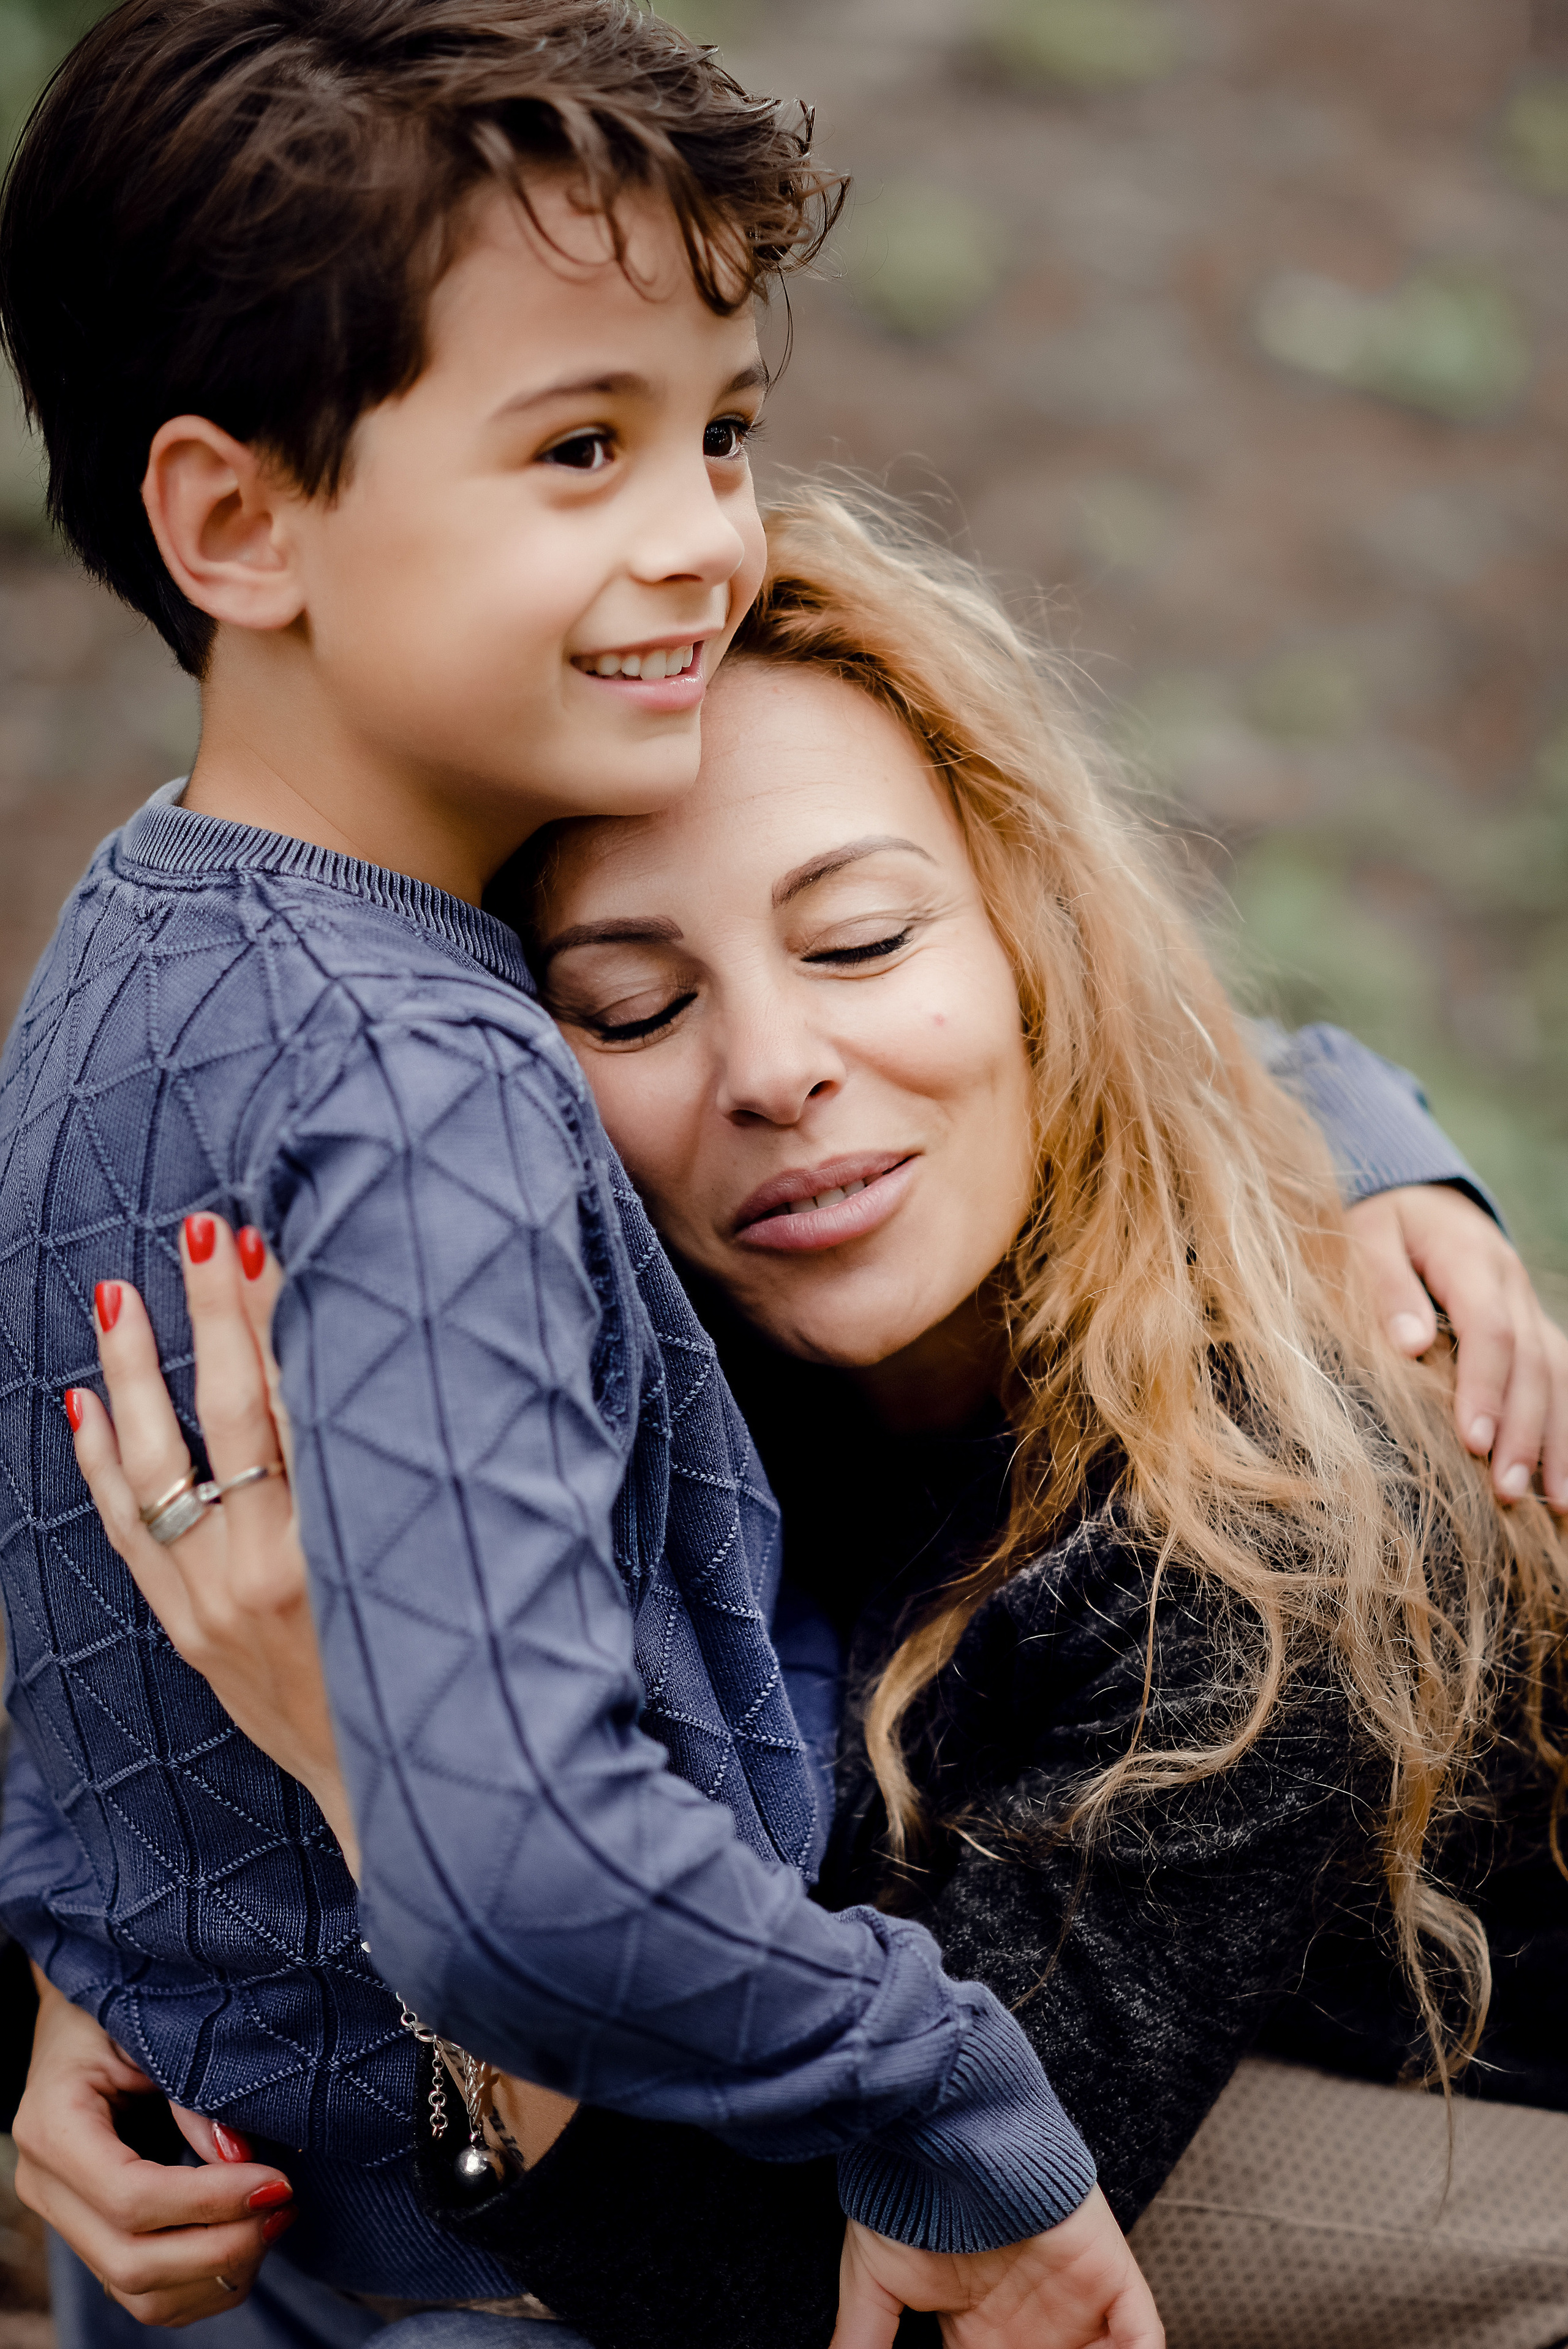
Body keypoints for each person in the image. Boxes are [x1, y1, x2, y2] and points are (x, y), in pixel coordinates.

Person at [42, 488, 1568, 2349]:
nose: (775, 1072)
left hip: (1457, 2159)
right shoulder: (642, 1330)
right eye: (629, 1004)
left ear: (1034, 938)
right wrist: (99, 1984)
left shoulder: (1263, 1530)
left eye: (857, 942)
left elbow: (828, 2298)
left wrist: (380, 1778)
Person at [0, 8, 1163, 2347]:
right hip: (492, 2266)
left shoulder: (137, 927)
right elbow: (521, 1870)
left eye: (722, 429)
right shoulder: (422, 1078)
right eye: (581, 446)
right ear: (238, 519)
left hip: (207, 2202)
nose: (706, 537)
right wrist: (948, 2095)